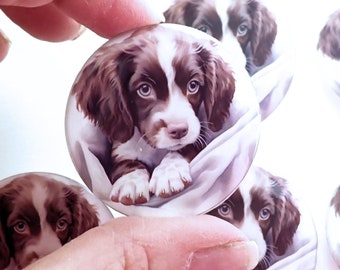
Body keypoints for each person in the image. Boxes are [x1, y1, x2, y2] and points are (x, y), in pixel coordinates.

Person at [0, 1, 259, 269]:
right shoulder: (117, 131)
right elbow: (121, 159)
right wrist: (131, 173)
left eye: (192, 85)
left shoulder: (216, 138)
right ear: (119, 94)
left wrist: (175, 160)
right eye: (145, 89)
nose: (177, 119)